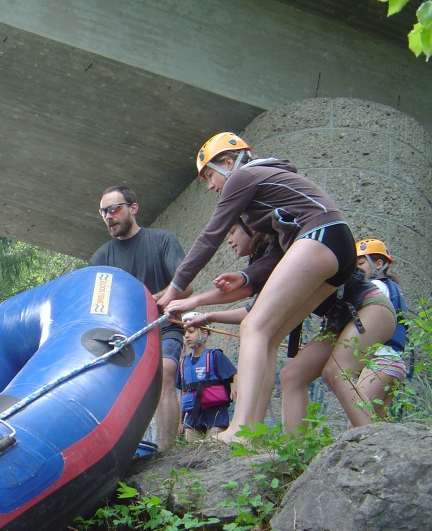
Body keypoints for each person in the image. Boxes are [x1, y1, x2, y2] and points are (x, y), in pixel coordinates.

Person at [157, 132, 393, 443]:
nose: (211, 187)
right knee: (267, 335)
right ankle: (253, 432)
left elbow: (210, 235)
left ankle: (241, 430)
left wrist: (176, 287)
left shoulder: (244, 176)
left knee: (254, 327)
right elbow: (276, 261)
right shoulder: (277, 202)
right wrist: (244, 278)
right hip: (336, 248)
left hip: (324, 234)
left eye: (211, 176)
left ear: (229, 163)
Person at [90, 186, 191, 449]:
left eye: (114, 208)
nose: (108, 216)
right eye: (103, 212)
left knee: (166, 371)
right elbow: (97, 309)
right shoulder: (100, 259)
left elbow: (186, 287)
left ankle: (167, 453)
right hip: (122, 338)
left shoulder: (162, 240)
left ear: (133, 208)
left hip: (164, 326)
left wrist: (148, 302)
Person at [350, 238, 409, 420]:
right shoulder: (395, 289)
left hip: (379, 362)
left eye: (361, 263)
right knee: (378, 424)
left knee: (357, 422)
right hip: (394, 363)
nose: (357, 269)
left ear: (379, 264)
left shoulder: (374, 288)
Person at [177, 312, 237, 441]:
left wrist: (234, 387)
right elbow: (183, 393)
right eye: (184, 333)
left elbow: (234, 375)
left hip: (216, 413)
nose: (186, 336)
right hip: (193, 416)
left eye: (191, 331)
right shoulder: (183, 363)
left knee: (214, 442)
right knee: (190, 448)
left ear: (204, 333)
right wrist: (180, 422)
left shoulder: (215, 356)